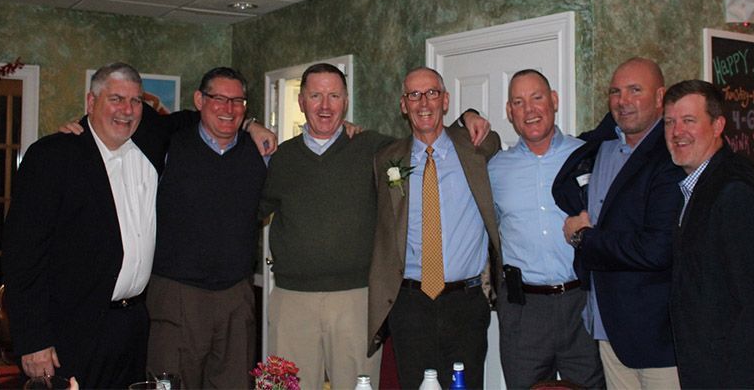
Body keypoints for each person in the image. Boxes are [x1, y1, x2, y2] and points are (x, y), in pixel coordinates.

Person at [260, 63, 490, 390]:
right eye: (316, 96)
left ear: (346, 101)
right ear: (301, 101)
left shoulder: (375, 149)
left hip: (359, 300)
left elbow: (431, 131)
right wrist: (250, 127)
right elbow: (252, 209)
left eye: (334, 96)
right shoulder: (282, 158)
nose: (325, 106)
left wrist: (469, 115)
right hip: (294, 300)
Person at [3, 63, 159, 388]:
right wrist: (33, 339)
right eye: (116, 99)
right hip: (69, 330)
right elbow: (23, 257)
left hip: (131, 327)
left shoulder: (149, 149)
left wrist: (253, 127)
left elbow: (192, 121)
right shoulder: (52, 156)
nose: (126, 110)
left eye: (135, 101)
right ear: (91, 102)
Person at [663, 79, 754, 389]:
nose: (677, 132)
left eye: (689, 120)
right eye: (670, 122)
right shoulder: (699, 188)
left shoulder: (733, 192)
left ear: (718, 125)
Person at [554, 57, 685, 389]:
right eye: (615, 91)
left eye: (634, 90)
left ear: (660, 97)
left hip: (658, 337)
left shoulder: (672, 156)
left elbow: (656, 249)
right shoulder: (602, 146)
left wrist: (584, 238)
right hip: (606, 326)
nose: (623, 100)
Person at [368, 67, 501, 389]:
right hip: (410, 302)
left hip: (466, 302)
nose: (423, 102)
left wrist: (471, 115)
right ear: (403, 105)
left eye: (432, 93)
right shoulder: (386, 159)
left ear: (445, 100)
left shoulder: (477, 147)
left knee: (466, 385)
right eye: (414, 94)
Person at [146, 67, 269, 388]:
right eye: (219, 99)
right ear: (199, 100)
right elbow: (121, 120)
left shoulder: (261, 154)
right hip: (176, 293)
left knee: (234, 383)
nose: (229, 109)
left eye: (238, 101)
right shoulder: (167, 147)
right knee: (171, 382)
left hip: (235, 295)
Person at [489, 70, 603, 389]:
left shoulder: (587, 156)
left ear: (553, 100)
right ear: (510, 112)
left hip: (581, 302)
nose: (530, 109)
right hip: (523, 310)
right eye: (518, 102)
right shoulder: (495, 169)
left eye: (537, 98)